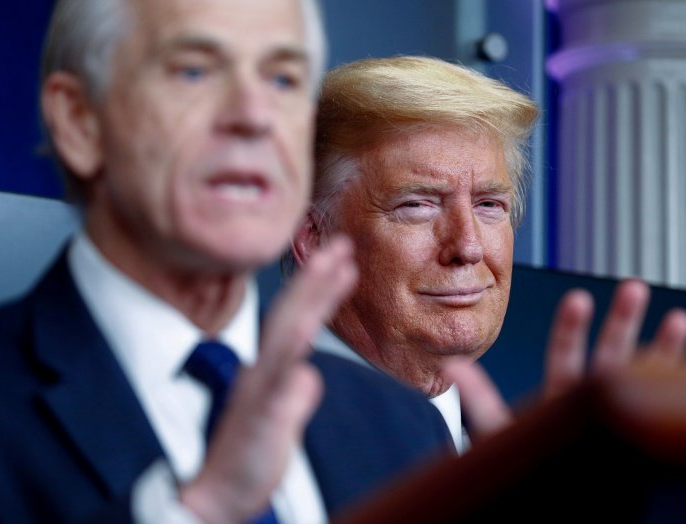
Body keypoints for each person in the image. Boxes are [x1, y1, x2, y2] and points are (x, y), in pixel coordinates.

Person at [0, 4, 452, 524]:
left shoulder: (404, 429)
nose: (254, 115)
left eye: (282, 78)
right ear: (80, 120)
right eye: (194, 70)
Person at [288, 55, 686, 450]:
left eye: (489, 205)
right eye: (417, 205)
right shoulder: (249, 433)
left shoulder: (547, 441)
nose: (468, 247)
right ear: (314, 237)